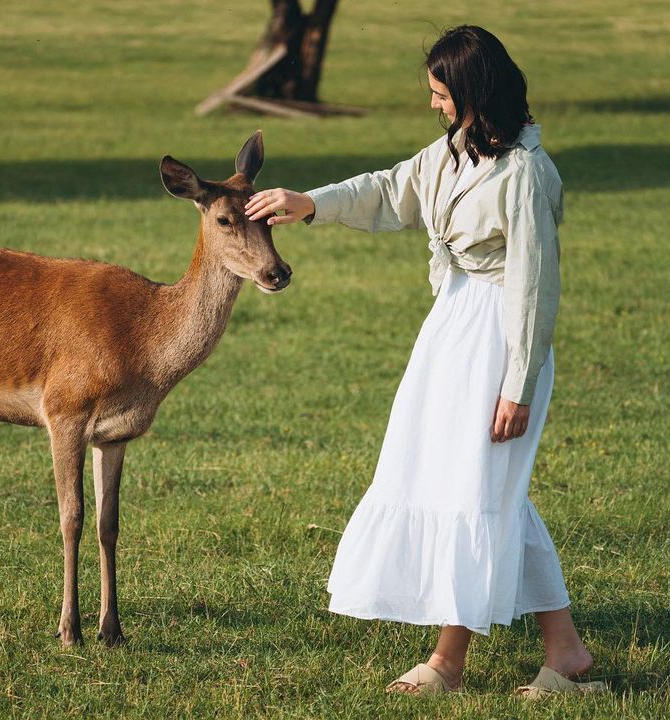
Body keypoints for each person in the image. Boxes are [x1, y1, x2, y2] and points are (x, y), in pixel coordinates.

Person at [245, 25, 607, 698]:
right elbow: (390, 190)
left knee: (473, 493)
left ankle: (449, 662)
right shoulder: (455, 152)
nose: (435, 106)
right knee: (478, 490)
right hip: (449, 330)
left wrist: (518, 385)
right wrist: (310, 204)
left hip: (497, 341)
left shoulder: (525, 173)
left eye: (442, 94)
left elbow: (534, 286)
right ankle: (567, 653)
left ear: (474, 92)